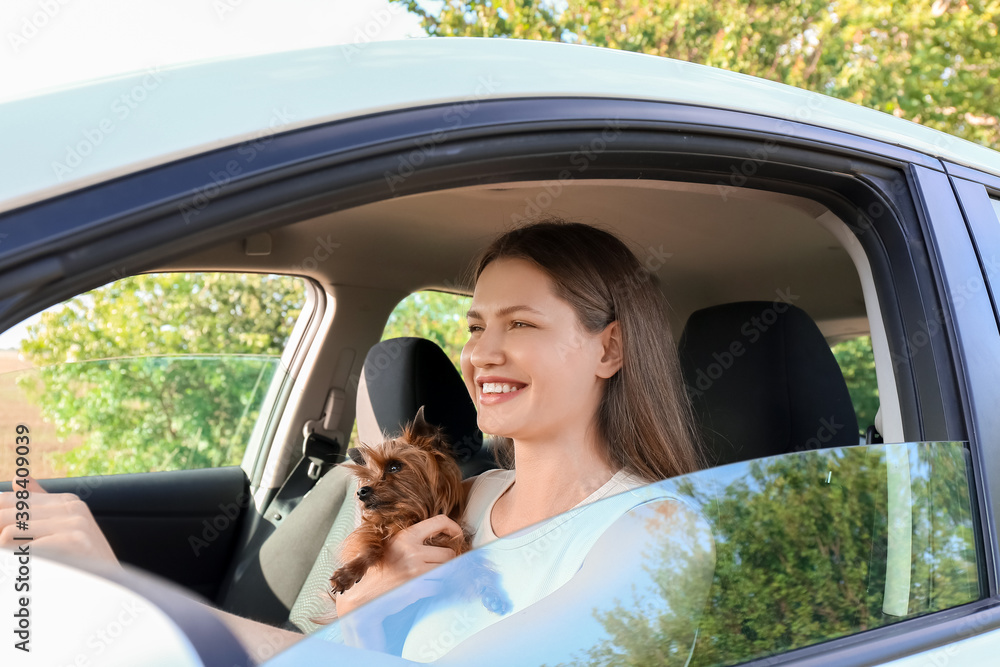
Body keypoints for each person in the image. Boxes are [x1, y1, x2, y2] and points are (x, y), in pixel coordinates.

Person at [0, 219, 713, 664]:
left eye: (520, 325)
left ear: (609, 348)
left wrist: (134, 595)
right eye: (474, 326)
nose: (482, 353)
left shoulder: (654, 530)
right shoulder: (468, 499)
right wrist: (363, 611)